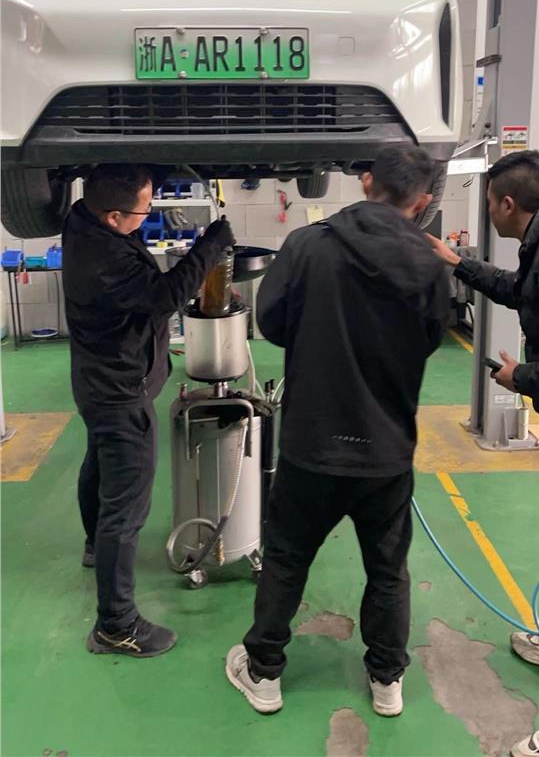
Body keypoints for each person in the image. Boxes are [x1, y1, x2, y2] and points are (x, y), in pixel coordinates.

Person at [225, 145, 449, 716]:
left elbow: (273, 322)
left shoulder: (307, 245)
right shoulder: (428, 265)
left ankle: (264, 673)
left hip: (312, 444)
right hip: (387, 452)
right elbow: (428, 340)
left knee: (286, 558)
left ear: (366, 181)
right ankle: (387, 680)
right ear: (422, 201)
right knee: (388, 569)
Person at [62, 164, 233, 658]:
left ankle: (94, 545)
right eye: (143, 210)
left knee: (99, 464)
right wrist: (210, 246)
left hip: (95, 383)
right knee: (126, 510)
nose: (149, 213)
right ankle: (116, 625)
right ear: (114, 217)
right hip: (120, 394)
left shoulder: (80, 219)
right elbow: (165, 297)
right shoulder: (106, 262)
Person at [427, 149, 539, 757]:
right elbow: (519, 291)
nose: (488, 211)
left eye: (489, 201)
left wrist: (524, 378)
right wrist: (459, 263)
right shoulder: (534, 248)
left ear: (506, 204)